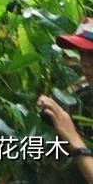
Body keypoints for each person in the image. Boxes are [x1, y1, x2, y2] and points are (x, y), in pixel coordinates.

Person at [39, 17, 93, 180]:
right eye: (82, 54)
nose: (85, 63)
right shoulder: (81, 96)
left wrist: (73, 138)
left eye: (92, 54)